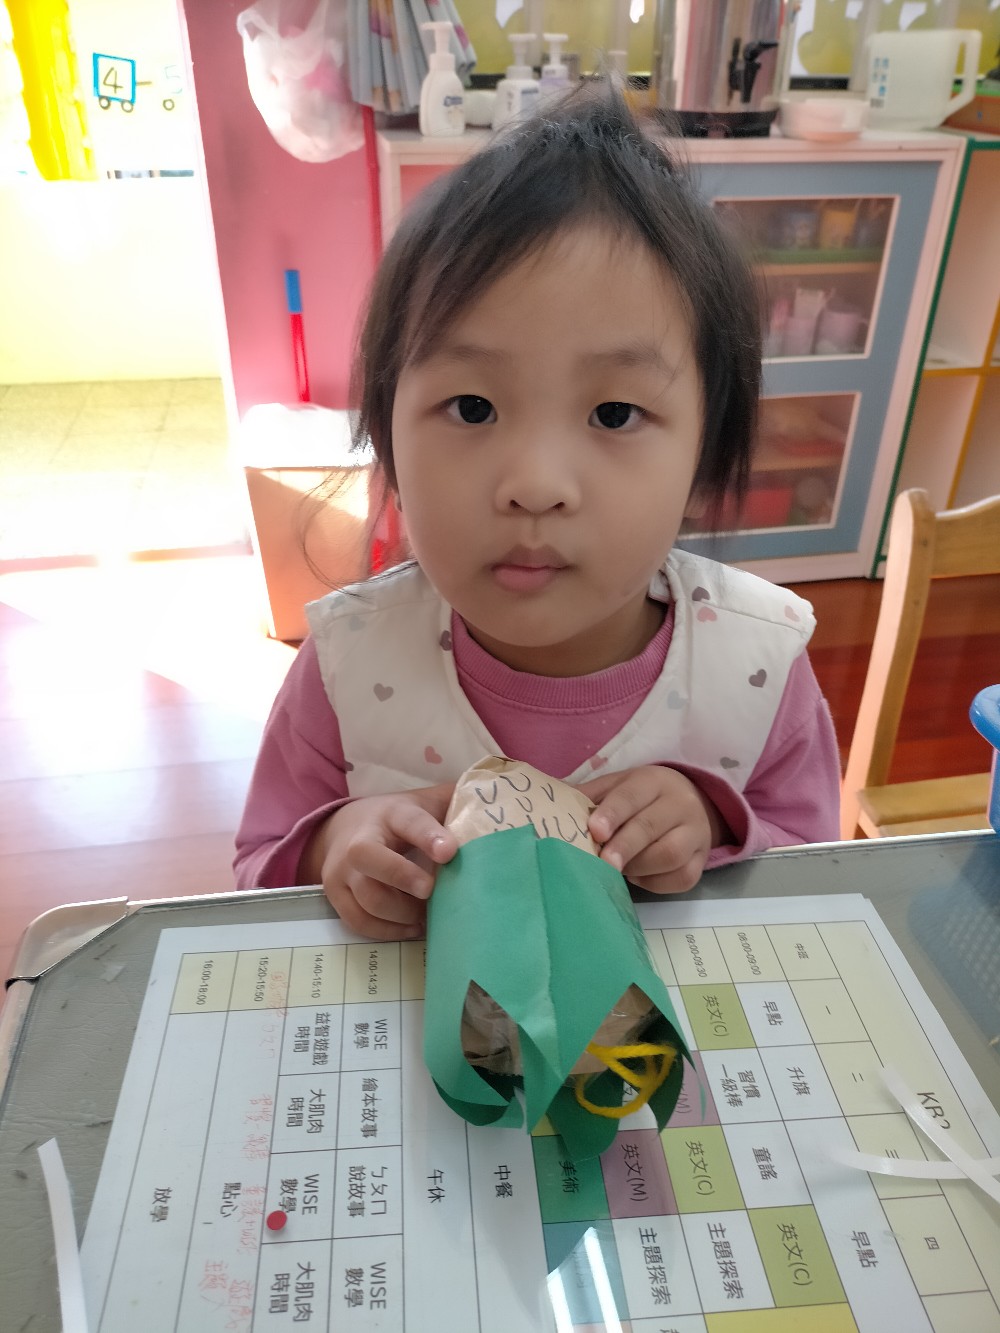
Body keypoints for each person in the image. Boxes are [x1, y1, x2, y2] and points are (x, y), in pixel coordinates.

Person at [234, 86, 841, 939]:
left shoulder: (756, 665)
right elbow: (257, 866)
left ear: (704, 459)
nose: (535, 484)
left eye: (614, 414)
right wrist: (336, 844)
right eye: (473, 407)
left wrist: (715, 824)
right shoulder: (348, 663)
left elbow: (823, 878)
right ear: (388, 437)